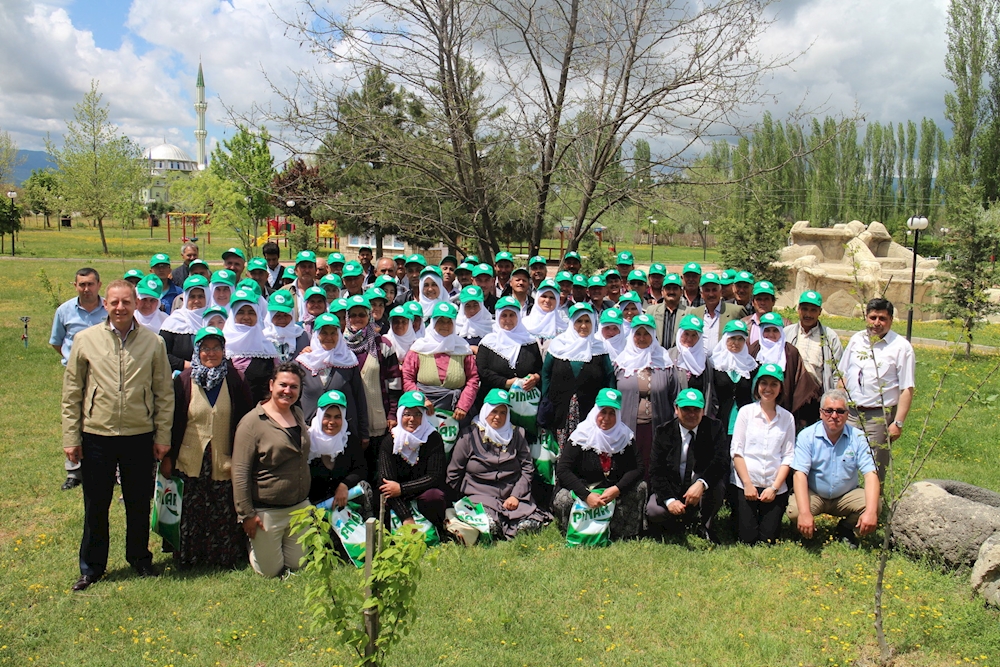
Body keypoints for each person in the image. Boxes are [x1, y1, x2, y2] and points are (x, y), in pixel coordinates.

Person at [61, 279, 174, 590]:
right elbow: (72, 393)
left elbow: (164, 393)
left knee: (138, 502)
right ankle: (92, 567)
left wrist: (163, 435)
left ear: (136, 304)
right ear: (105, 304)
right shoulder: (85, 340)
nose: (121, 308)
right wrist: (71, 437)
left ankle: (139, 557)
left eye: (126, 302)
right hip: (96, 434)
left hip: (139, 435)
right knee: (96, 504)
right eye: (114, 302)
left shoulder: (154, 343)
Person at [160, 327, 253, 568]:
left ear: (224, 350)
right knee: (192, 510)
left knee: (221, 508)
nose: (211, 353)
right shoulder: (183, 381)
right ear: (196, 352)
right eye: (205, 348)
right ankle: (189, 557)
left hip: (222, 458)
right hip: (189, 458)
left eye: (216, 348)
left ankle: (221, 557)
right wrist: (168, 457)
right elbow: (173, 421)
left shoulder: (235, 379)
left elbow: (245, 420)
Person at [232, 362, 312, 577]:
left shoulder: (297, 414)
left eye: (294, 387)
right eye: (283, 385)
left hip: (299, 507)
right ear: (271, 385)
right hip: (267, 510)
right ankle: (254, 545)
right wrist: (247, 514)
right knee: (271, 571)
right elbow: (240, 473)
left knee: (298, 564)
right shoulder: (252, 423)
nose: (288, 391)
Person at [448, 389, 552, 539]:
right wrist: (458, 499)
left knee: (529, 523)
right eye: (494, 411)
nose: (498, 417)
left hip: (512, 494)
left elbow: (527, 469)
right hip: (479, 495)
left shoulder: (517, 434)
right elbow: (454, 472)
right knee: (488, 523)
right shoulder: (468, 436)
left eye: (503, 412)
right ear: (485, 411)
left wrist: (516, 496)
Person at [787, 389, 881, 548]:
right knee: (795, 511)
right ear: (821, 413)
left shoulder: (858, 437)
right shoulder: (806, 436)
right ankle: (803, 529)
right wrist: (804, 513)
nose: (834, 415)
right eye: (829, 411)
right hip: (815, 493)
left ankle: (846, 530)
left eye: (840, 411)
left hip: (845, 494)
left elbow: (871, 474)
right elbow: (799, 475)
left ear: (847, 413)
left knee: (874, 505)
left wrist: (871, 512)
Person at [837, 298, 915, 482]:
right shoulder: (857, 340)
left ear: (891, 320)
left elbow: (907, 389)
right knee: (843, 460)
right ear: (866, 317)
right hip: (851, 413)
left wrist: (898, 423)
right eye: (873, 317)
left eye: (882, 318)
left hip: (879, 417)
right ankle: (845, 503)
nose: (877, 323)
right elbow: (843, 375)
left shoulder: (901, 348)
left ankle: (874, 506)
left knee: (874, 466)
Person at [553, 388, 645, 540]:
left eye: (612, 413)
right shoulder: (581, 435)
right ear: (596, 411)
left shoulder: (625, 436)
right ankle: (575, 530)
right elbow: (563, 470)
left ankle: (623, 532)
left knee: (641, 487)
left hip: (611, 491)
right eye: (603, 412)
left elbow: (638, 468)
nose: (606, 418)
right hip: (585, 489)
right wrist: (586, 495)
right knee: (563, 499)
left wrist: (617, 489)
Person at [645, 388, 727, 543]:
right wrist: (670, 500)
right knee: (654, 511)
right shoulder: (663, 432)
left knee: (717, 486)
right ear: (676, 409)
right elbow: (656, 471)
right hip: (673, 487)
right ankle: (675, 522)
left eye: (696, 410)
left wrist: (702, 484)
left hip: (699, 488)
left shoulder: (715, 428)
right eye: (686, 409)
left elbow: (720, 462)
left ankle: (705, 525)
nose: (691, 414)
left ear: (703, 411)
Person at [730, 363, 795, 545]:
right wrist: (748, 485)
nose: (768, 388)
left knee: (767, 539)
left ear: (781, 388)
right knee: (747, 538)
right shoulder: (746, 413)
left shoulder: (787, 418)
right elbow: (737, 452)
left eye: (774, 384)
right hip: (746, 484)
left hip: (773, 487)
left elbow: (788, 456)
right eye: (764, 383)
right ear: (757, 386)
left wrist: (774, 488)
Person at [540, 303, 616, 451]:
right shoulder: (558, 345)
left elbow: (609, 379)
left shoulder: (599, 348)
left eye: (587, 321)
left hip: (590, 413)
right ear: (572, 323)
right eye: (579, 321)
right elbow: (546, 374)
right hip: (559, 412)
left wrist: (607, 407)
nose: (583, 326)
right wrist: (545, 400)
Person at [295, 313, 369, 455]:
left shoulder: (349, 361)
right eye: (324, 332)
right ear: (316, 334)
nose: (328, 337)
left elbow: (359, 398)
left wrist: (363, 432)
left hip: (343, 433)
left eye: (333, 333)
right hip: (308, 432)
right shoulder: (303, 362)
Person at [343, 294, 401, 477]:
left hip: (378, 419)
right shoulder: (339, 346)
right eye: (353, 315)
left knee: (377, 468)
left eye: (362, 314)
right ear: (347, 318)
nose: (357, 319)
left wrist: (393, 413)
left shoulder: (382, 345)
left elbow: (394, 382)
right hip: (349, 419)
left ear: (369, 316)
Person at [613, 313, 677, 480]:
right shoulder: (620, 363)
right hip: (626, 427)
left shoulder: (665, 363)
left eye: (646, 333)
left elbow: (675, 396)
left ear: (653, 335)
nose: (642, 338)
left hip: (657, 427)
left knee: (654, 468)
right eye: (638, 334)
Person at [378, 390, 448, 532]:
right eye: (407, 414)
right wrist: (406, 517)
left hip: (421, 490)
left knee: (435, 496)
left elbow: (435, 476)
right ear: (399, 414)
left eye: (418, 414)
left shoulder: (433, 438)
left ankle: (438, 531)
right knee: (381, 497)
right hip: (396, 495)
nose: (412, 419)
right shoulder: (390, 441)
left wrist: (402, 489)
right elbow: (386, 483)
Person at [401, 302, 480, 424]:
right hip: (424, 409)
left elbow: (473, 379)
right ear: (433, 323)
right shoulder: (419, 348)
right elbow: (407, 378)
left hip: (456, 411)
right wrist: (421, 400)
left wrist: (463, 405)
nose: (445, 325)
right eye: (440, 321)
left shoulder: (463, 348)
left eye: (449, 321)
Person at [748, 312, 821, 424]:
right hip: (755, 410)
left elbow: (801, 382)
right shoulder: (754, 349)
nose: (771, 334)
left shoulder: (791, 352)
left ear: (781, 331)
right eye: (767, 330)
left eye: (775, 330)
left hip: (784, 409)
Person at [307, 389, 373, 513]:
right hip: (312, 510)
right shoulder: (307, 441)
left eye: (338, 417)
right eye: (327, 416)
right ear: (320, 415)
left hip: (345, 508)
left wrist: (345, 485)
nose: (332, 422)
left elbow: (361, 469)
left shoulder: (349, 440)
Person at [784, 290, 844, 425]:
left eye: (813, 310)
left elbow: (837, 372)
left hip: (815, 399)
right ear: (798, 309)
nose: (808, 314)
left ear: (820, 312)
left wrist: (834, 402)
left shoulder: (830, 337)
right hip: (791, 396)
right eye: (804, 309)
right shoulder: (787, 333)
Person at [476, 297, 542, 399]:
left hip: (524, 401)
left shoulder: (530, 341)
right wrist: (506, 383)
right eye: (504, 315)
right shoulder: (488, 342)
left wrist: (535, 378)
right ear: (498, 317)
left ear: (518, 317)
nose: (508, 319)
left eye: (512, 315)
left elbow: (540, 368)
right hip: (493, 399)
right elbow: (482, 370)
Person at [224, 289, 280, 403]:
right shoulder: (221, 346)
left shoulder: (267, 349)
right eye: (240, 312)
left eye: (251, 312)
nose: (246, 317)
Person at [710, 320, 758, 443]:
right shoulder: (713, 364)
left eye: (740, 339)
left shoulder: (751, 365)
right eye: (732, 338)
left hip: (745, 422)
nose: (736, 343)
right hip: (719, 421)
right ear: (725, 339)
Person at [667, 314, 717, 417]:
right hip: (674, 416)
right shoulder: (669, 357)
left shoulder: (704, 359)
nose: (689, 339)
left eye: (694, 335)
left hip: (698, 416)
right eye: (686, 334)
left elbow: (709, 390)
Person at [682, 272, 745, 352]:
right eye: (707, 290)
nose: (711, 294)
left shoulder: (735, 311)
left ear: (720, 291)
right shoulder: (695, 313)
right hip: (700, 362)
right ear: (701, 294)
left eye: (714, 290)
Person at [160, 275, 209, 373]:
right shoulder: (173, 321)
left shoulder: (213, 319)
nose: (196, 301)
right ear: (186, 298)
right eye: (192, 296)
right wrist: (187, 365)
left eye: (201, 296)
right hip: (180, 379)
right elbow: (162, 353)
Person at [522, 278, 568, 354]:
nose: (547, 300)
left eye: (552, 297)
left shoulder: (563, 329)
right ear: (537, 297)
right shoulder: (524, 324)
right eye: (544, 296)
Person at [263, 291, 309, 362]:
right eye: (277, 315)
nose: (282, 318)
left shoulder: (302, 335)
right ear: (270, 316)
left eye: (286, 315)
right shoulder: (263, 337)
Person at [646, 273, 683, 349]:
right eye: (668, 288)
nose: (671, 292)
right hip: (656, 357)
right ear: (662, 292)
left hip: (679, 358)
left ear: (681, 292)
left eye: (675, 288)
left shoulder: (690, 312)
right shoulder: (651, 311)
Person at [455, 285, 494, 350]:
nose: (472, 310)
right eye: (468, 306)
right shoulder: (455, 327)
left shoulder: (492, 327)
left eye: (475, 305)